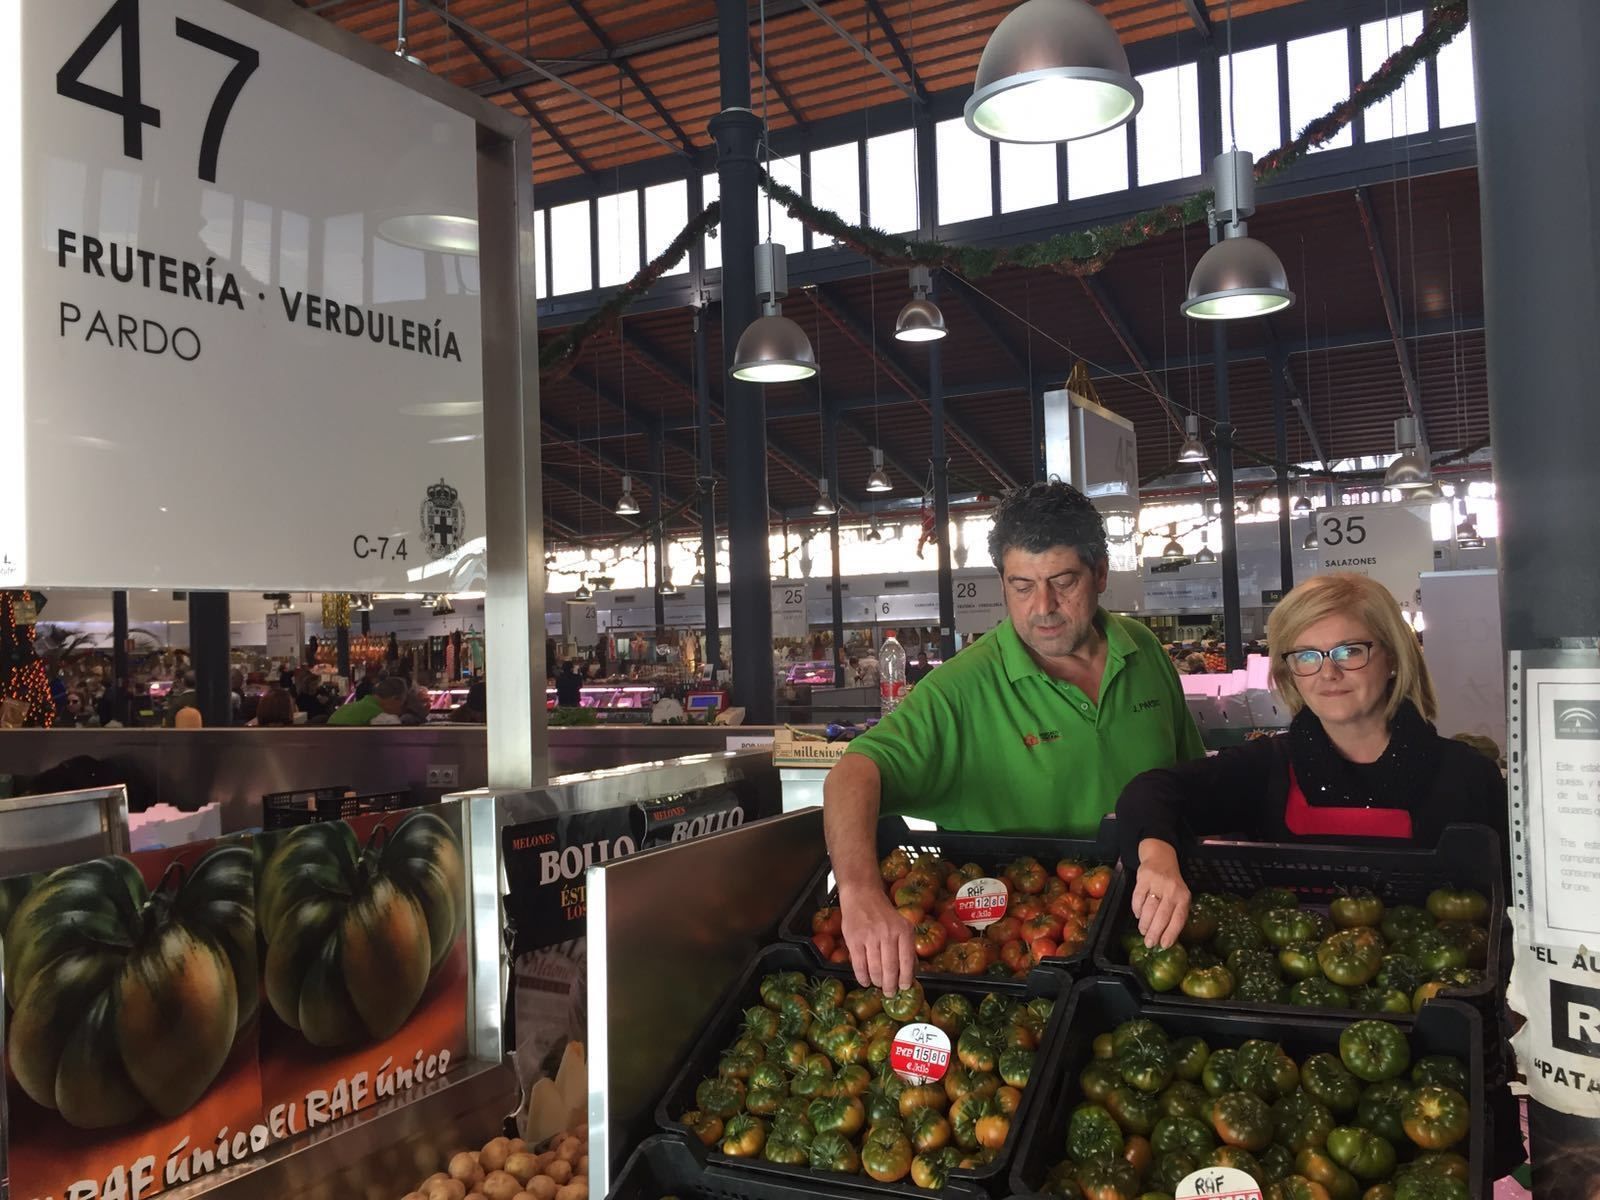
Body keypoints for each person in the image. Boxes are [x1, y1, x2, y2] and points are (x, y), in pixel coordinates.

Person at [824, 481, 1205, 992]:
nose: (1042, 606)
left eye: (1063, 581)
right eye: (1021, 586)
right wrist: (859, 892)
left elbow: (1191, 778)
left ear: (1100, 574)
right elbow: (853, 772)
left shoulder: (1142, 649)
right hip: (1018, 961)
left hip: (1149, 937)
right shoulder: (962, 689)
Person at [1116, 571, 1508, 949]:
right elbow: (1151, 791)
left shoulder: (1468, 777)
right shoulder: (1267, 767)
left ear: (1392, 658)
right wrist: (1158, 858)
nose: (1328, 673)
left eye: (1349, 651)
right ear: (1292, 674)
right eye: (1307, 656)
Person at [328, 675, 408, 726]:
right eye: (402, 704)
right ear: (394, 699)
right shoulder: (385, 719)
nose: (401, 711)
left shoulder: (343, 709)